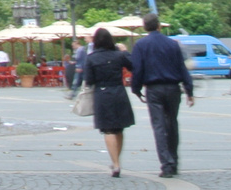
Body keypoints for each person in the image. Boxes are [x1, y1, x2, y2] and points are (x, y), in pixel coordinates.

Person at [129, 13, 195, 177]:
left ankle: (166, 164)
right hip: (173, 88)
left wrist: (136, 89)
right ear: (158, 25)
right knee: (172, 123)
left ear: (145, 27)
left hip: (154, 89)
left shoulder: (141, 45)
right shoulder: (172, 44)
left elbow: (137, 69)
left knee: (158, 126)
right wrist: (189, 90)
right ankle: (175, 160)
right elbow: (182, 68)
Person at [83, 26, 134, 176]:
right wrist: (125, 51)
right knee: (119, 128)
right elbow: (133, 65)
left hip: (102, 94)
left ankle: (115, 164)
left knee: (108, 129)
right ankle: (116, 160)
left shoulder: (91, 58)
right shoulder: (118, 55)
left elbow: (89, 80)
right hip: (119, 92)